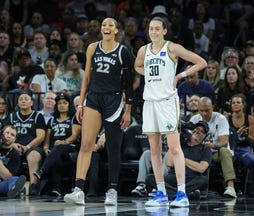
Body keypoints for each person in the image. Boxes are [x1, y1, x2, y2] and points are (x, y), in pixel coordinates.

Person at [134, 16, 207, 207]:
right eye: (151, 28)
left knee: (174, 148)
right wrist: (148, 73)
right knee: (155, 150)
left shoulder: (172, 48)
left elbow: (201, 62)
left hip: (167, 102)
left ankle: (182, 194)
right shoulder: (143, 50)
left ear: (165, 31)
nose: (153, 32)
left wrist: (179, 76)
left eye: (157, 28)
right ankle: (161, 193)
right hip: (150, 102)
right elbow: (137, 66)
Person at [63, 17, 133, 206]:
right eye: (104, 25)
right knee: (86, 145)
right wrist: (81, 103)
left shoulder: (123, 51)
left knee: (112, 148)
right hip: (93, 98)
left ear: (117, 30)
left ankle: (112, 190)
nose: (106, 27)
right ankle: (78, 190)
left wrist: (128, 110)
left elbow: (129, 84)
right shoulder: (92, 47)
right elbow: (87, 77)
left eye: (110, 25)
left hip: (114, 100)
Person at [147, 121, 212, 200]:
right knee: (150, 179)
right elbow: (169, 162)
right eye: (197, 129)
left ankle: (170, 193)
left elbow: (201, 168)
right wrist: (178, 139)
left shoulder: (205, 148)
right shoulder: (180, 143)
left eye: (202, 132)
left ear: (205, 136)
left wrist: (181, 159)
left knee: (203, 181)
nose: (198, 132)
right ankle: (184, 194)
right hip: (174, 176)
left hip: (191, 178)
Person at [33, 93, 81, 197]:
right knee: (56, 157)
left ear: (69, 105)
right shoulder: (52, 120)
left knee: (58, 148)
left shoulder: (74, 118)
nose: (62, 105)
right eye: (59, 103)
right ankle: (57, 189)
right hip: (55, 150)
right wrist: (45, 147)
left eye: (64, 103)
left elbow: (74, 136)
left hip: (70, 148)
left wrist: (63, 142)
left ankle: (42, 170)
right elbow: (47, 137)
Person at [189, 97, 237, 198]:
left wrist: (211, 145)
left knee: (224, 151)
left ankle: (230, 187)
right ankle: (200, 188)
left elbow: (224, 142)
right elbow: (190, 141)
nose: (204, 113)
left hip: (216, 152)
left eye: (207, 110)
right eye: (201, 110)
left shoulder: (220, 118)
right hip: (201, 152)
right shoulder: (194, 120)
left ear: (212, 107)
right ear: (198, 109)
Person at [9, 93, 46, 196]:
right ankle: (10, 185)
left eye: (26, 99)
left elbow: (41, 136)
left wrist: (27, 147)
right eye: (20, 99)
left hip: (33, 148)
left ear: (32, 102)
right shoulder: (12, 116)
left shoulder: (37, 116)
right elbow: (6, 133)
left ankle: (34, 186)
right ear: (18, 103)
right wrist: (13, 144)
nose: (23, 101)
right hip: (15, 146)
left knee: (33, 155)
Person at [228, 94, 254, 198]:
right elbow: (224, 137)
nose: (235, 104)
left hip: (244, 149)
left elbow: (251, 140)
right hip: (231, 148)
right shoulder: (226, 118)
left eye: (238, 102)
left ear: (243, 105)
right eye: (233, 103)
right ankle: (229, 188)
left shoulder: (249, 118)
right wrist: (236, 134)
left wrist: (245, 134)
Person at [0, 125, 26, 198]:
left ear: (15, 139)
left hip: (2, 184)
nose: (9, 136)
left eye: (12, 135)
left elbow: (7, 177)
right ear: (2, 135)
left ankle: (14, 190)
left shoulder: (15, 155)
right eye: (7, 133)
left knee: (14, 179)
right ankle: (21, 191)